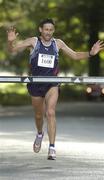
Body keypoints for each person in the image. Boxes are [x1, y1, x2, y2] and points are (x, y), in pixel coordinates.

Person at [7, 18, 104, 160]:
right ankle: (40, 133)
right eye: (46, 29)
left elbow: (75, 55)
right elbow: (12, 50)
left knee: (50, 112)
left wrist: (90, 53)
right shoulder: (33, 41)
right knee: (39, 115)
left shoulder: (58, 43)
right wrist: (10, 41)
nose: (48, 32)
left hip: (52, 83)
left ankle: (52, 148)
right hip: (36, 83)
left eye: (51, 30)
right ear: (41, 30)